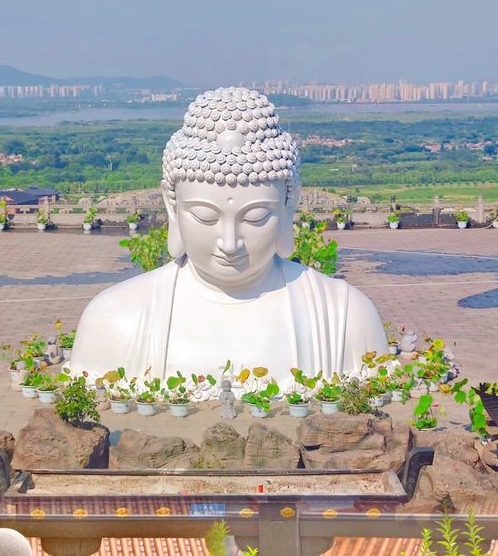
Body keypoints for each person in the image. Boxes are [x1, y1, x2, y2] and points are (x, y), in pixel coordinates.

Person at [70, 88, 388, 389]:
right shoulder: (115, 319)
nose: (230, 243)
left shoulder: (344, 316)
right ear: (173, 206)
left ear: (289, 204)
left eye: (256, 217)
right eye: (206, 217)